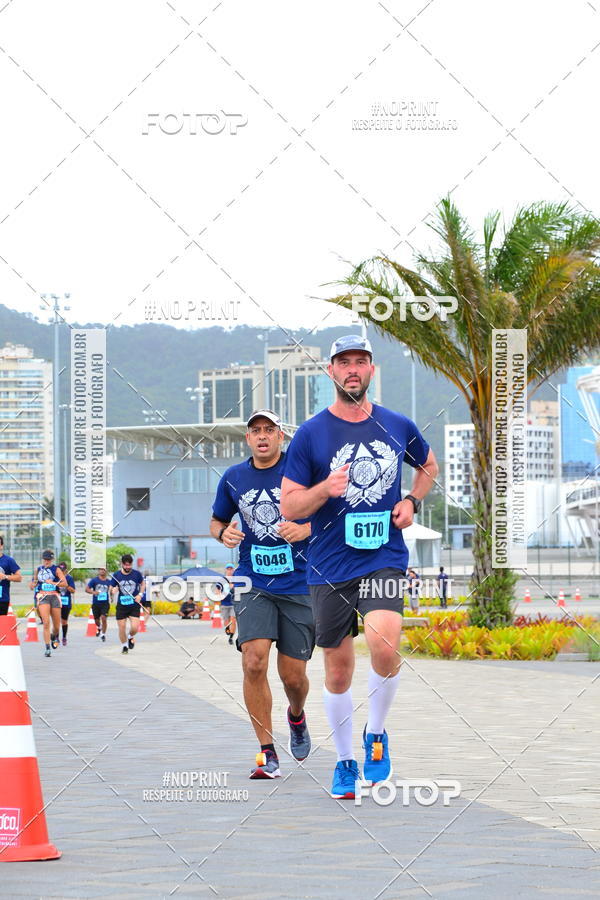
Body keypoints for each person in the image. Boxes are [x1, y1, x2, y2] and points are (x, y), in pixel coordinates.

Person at [280, 334, 438, 799]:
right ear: (331, 372)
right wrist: (323, 491)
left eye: (361, 362)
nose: (352, 369)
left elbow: (427, 465)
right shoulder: (312, 433)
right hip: (329, 564)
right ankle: (345, 759)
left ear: (372, 371)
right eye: (344, 362)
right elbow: (290, 506)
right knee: (337, 671)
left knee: (385, 642)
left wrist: (412, 500)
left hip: (383, 556)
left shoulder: (397, 424)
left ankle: (376, 735)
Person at [211, 409, 314, 779]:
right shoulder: (234, 477)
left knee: (293, 677)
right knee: (254, 661)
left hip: (300, 583)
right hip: (252, 581)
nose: (262, 436)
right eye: (255, 431)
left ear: (281, 436)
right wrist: (223, 534)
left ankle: (297, 716)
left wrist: (307, 529)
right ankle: (267, 752)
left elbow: (334, 511)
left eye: (269, 430)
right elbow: (217, 520)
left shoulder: (302, 471)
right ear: (247, 439)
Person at [29, 550, 67, 657]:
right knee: (46, 623)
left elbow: (65, 583)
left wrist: (54, 583)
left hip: (54, 596)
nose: (46, 561)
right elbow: (35, 581)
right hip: (43, 596)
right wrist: (33, 584)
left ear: (52, 560)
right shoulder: (38, 569)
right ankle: (47, 648)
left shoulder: (56, 569)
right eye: (45, 559)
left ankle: (54, 636)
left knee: (56, 626)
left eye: (48, 560)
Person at [110, 554, 145, 654]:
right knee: (122, 627)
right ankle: (124, 646)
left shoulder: (137, 574)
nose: (127, 567)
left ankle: (130, 636)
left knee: (134, 627)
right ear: (122, 564)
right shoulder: (116, 575)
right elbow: (111, 588)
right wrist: (113, 591)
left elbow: (143, 584)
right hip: (122, 606)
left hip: (134, 604)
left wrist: (140, 594)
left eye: (129, 565)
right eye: (125, 565)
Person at [86, 567, 112, 641]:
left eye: (104, 569)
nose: (102, 571)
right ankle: (99, 627)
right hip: (96, 603)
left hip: (105, 604)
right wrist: (94, 592)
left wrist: (112, 593)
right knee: (96, 621)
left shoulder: (109, 581)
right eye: (100, 569)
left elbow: (112, 590)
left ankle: (103, 634)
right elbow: (87, 589)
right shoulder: (94, 580)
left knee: (104, 618)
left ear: (106, 571)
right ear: (98, 570)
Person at [0, 535, 22, 616]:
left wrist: (5, 576)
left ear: (1, 545)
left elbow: (19, 577)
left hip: (2, 599)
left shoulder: (9, 560)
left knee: (1, 626)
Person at [57, 562, 76, 645]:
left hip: (66, 602)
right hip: (56, 602)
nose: (62, 572)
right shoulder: (55, 578)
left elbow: (73, 591)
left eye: (63, 571)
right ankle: (56, 637)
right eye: (60, 571)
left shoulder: (69, 578)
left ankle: (64, 637)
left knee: (64, 621)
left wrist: (66, 585)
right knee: (56, 620)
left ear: (66, 571)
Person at [221, 567, 236, 645]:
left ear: (233, 570)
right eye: (228, 569)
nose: (230, 571)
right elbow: (217, 590)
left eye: (231, 569)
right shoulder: (222, 580)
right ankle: (229, 632)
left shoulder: (236, 579)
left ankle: (231, 637)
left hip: (234, 603)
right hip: (224, 603)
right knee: (226, 621)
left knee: (233, 619)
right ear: (226, 570)